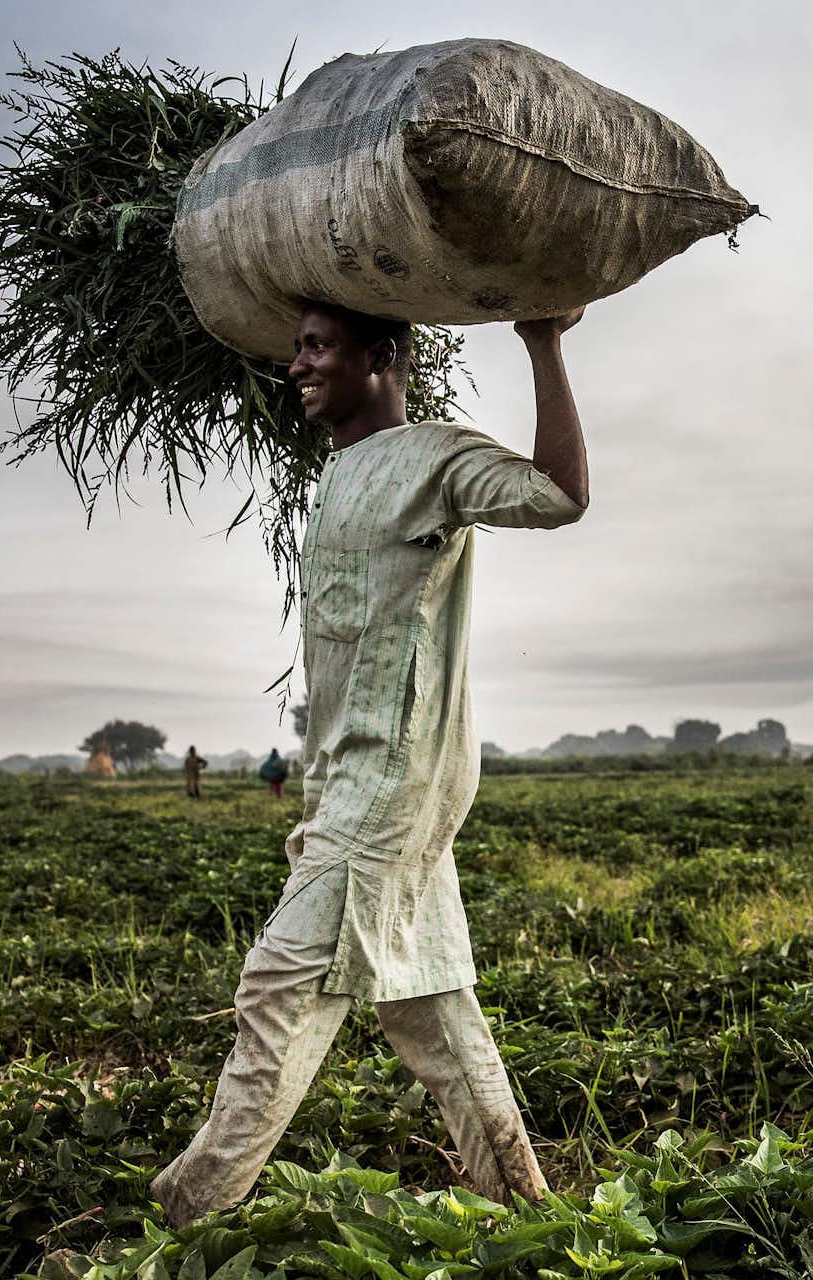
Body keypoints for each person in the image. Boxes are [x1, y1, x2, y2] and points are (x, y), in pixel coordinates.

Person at [152, 300, 589, 1226]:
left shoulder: (435, 459)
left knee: (281, 985)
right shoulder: (335, 474)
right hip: (343, 776)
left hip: (396, 776)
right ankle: (526, 1207)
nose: (299, 365)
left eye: (318, 347)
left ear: (382, 356)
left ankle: (187, 1217)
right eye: (297, 349)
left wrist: (542, 344)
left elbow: (559, 494)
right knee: (427, 1002)